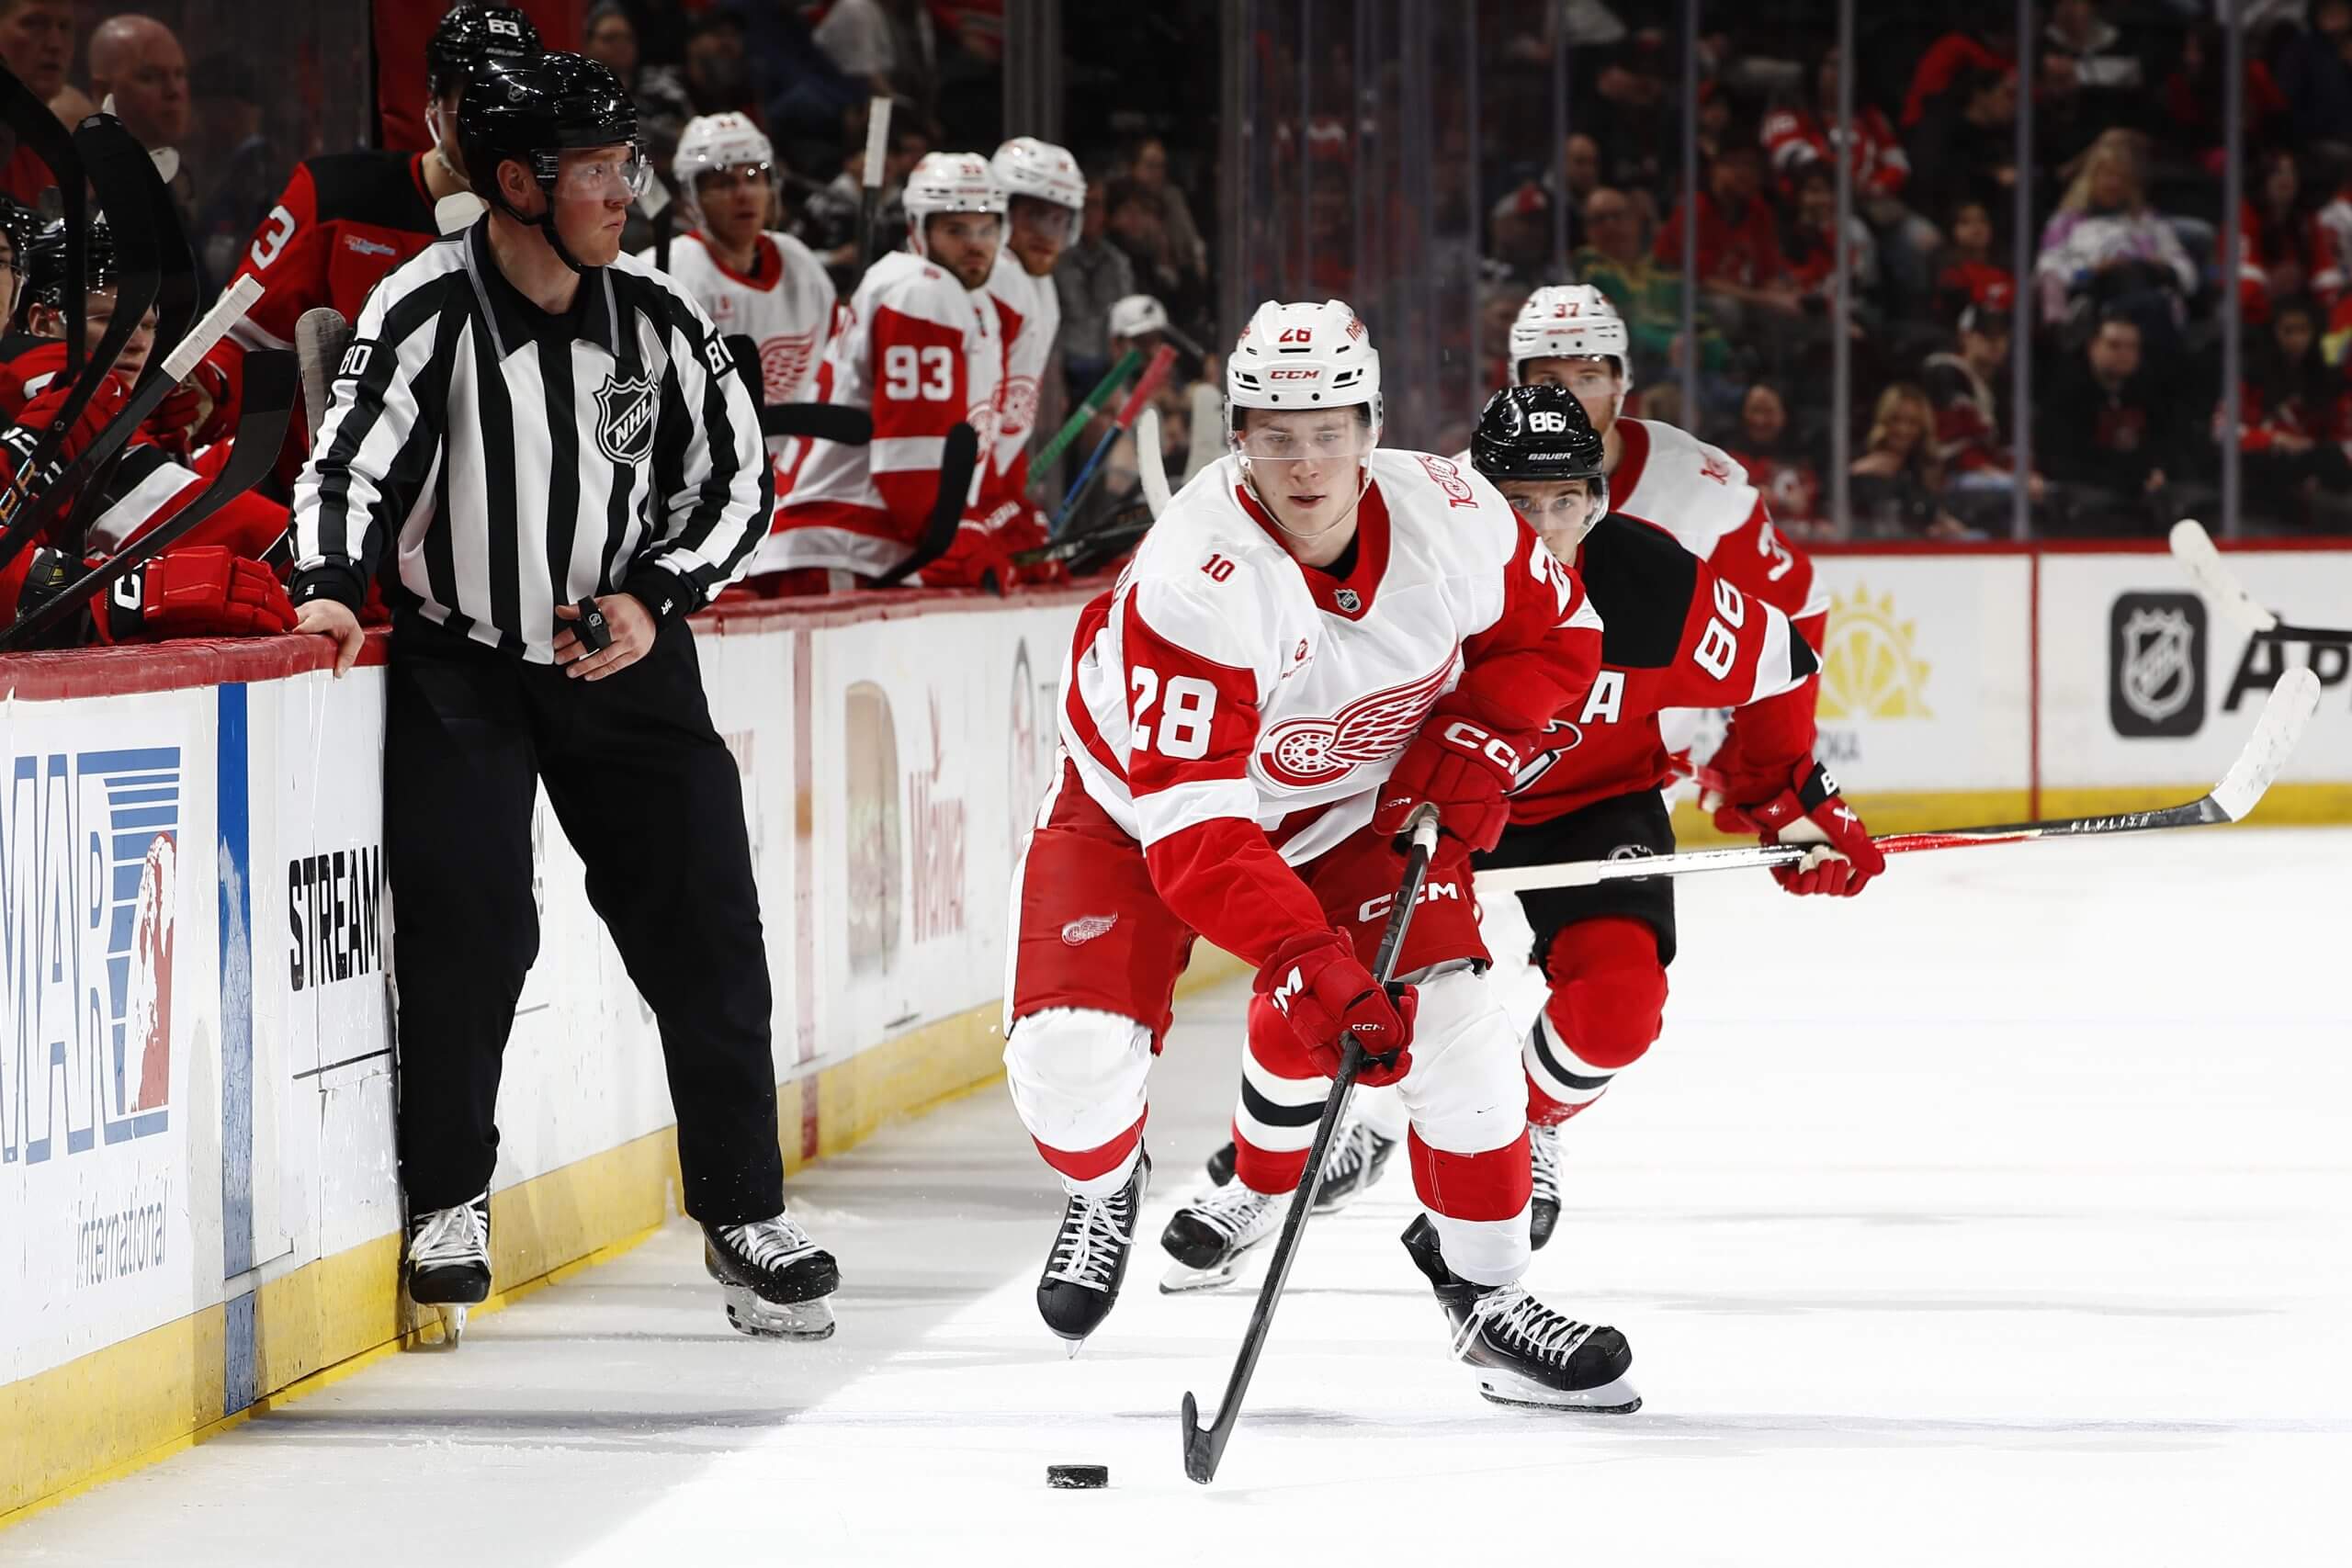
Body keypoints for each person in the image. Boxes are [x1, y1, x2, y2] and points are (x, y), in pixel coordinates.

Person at [286, 52, 838, 1344]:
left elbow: (736, 485)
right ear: (519, 183)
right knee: (469, 920)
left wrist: (653, 592)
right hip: (462, 660)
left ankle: (745, 1210)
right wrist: (324, 581)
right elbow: (346, 465)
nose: (624, 194)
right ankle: (448, 1201)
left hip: (630, 654)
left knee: (707, 919)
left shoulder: (656, 318)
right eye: (598, 171)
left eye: (625, 167)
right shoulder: (422, 308)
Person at [1006, 295, 1637, 1412]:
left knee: (1461, 1039)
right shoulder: (1194, 580)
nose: (1306, 463)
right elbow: (1199, 839)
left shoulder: (1452, 510)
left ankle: (1488, 1302)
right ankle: (1105, 1185)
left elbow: (1558, 634)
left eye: (1331, 430)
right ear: (1237, 434)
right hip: (1133, 815)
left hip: (1350, 808)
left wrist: (1474, 746)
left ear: (1372, 424)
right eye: (1277, 435)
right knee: (1069, 1065)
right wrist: (1306, 962)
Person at [1173, 383, 1875, 1259]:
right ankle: (1265, 1177)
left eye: (1564, 500)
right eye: (1516, 503)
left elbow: (1783, 657)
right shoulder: (1416, 570)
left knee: (1617, 1007)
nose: (1542, 525)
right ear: (1473, 500)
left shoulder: (1650, 584)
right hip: (1417, 809)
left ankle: (1523, 1125)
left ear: (1598, 501)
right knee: (1309, 1003)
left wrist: (1791, 800)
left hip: (1593, 805)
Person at [769, 151, 1038, 588]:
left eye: (987, 228)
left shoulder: (973, 304)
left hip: (869, 543)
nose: (976, 243)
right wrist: (958, 543)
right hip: (842, 538)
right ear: (917, 228)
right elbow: (910, 460)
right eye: (955, 229)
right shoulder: (919, 292)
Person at [225, 6, 543, 357]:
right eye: (473, 98)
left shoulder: (559, 219)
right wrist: (211, 386)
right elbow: (237, 340)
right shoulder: (334, 197)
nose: (492, 121)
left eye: (513, 100)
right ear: (435, 100)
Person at [639, 113, 842, 589]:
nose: (743, 193)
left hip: (787, 492)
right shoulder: (664, 276)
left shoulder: (801, 264)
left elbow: (828, 371)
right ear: (690, 196)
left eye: (754, 177)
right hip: (693, 502)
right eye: (721, 182)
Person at [0, 218, 281, 559]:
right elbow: (150, 500)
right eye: (109, 320)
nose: (137, 342)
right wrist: (314, 563)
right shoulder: (28, 364)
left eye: (147, 325)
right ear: (42, 322)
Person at [982, 137, 1082, 504]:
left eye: (1059, 219)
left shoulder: (1040, 287)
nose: (1047, 234)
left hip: (991, 475)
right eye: (1035, 216)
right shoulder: (996, 277)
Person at [2033, 131, 2197, 351]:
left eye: (2121, 177)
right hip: (2094, 290)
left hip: (2145, 286)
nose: (2114, 183)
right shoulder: (2066, 222)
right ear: (2092, 178)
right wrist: (2089, 272)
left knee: (2145, 292)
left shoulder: (2148, 221)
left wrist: (2161, 269)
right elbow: (2049, 267)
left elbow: (2185, 269)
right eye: (2107, 175)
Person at [2035, 310, 2174, 535]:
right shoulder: (2066, 391)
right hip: (2088, 490)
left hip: (2133, 487)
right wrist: (2132, 477)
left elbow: (2165, 441)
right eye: (2114, 345)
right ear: (2093, 347)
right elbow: (2060, 459)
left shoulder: (2148, 390)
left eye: (2131, 347)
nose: (2124, 354)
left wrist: (2157, 471)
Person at [1053, 175, 1136, 396]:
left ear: (1105, 213)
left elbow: (1127, 322)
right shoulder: (1054, 262)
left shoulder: (1119, 263)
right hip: (1063, 368)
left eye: (1096, 205)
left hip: (1108, 368)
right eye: (1083, 206)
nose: (1089, 214)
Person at [1850, 382, 1965, 538]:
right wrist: (1854, 472)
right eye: (1896, 420)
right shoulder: (1860, 464)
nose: (1903, 430)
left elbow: (1932, 515)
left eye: (1912, 422)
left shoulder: (1926, 468)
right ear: (1883, 420)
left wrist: (1944, 527)